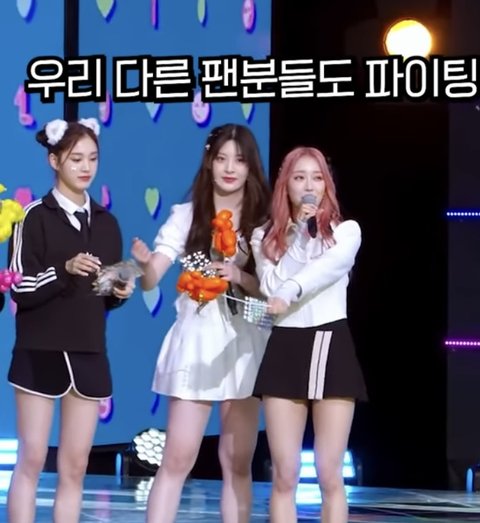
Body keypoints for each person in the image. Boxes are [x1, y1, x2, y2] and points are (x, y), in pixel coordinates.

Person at [131, 123, 271, 523]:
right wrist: (144, 266)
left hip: (246, 340)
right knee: (177, 457)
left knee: (237, 460)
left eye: (239, 160)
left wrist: (240, 275)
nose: (229, 168)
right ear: (209, 162)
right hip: (197, 338)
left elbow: (271, 291)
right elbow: (152, 278)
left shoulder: (263, 221)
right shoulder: (187, 214)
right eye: (221, 158)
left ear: (250, 167)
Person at [6, 117, 135, 523]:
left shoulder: (107, 223)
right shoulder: (33, 217)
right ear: (54, 160)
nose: (86, 167)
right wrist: (63, 269)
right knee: (32, 457)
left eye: (92, 158)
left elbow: (102, 294)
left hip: (89, 351)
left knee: (76, 465)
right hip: (39, 351)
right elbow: (20, 288)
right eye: (76, 158)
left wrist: (118, 292)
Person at [251, 146, 367, 523]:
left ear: (327, 185)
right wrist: (299, 237)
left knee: (329, 473)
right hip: (285, 346)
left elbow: (326, 270)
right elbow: (271, 286)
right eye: (299, 177)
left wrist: (290, 290)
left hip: (330, 343)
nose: (309, 186)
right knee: (284, 474)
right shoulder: (264, 238)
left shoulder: (346, 233)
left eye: (317, 178)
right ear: (286, 185)